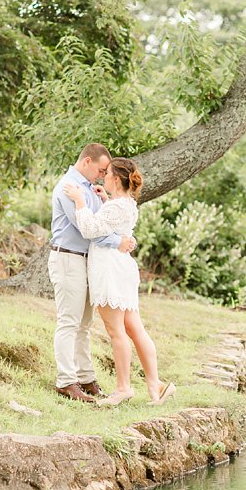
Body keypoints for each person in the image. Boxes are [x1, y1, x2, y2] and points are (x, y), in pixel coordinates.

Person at [61, 157, 175, 406]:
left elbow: (91, 230)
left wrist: (80, 201)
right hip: (122, 268)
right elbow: (112, 228)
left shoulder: (115, 207)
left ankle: (123, 388)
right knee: (135, 328)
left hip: (109, 269)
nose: (103, 177)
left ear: (115, 179)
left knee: (116, 331)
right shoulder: (127, 204)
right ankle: (155, 384)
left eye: (107, 173)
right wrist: (104, 200)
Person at [49, 143, 136, 403]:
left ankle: (86, 378)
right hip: (68, 257)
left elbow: (104, 222)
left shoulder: (89, 189)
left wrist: (123, 236)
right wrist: (118, 241)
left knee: (85, 324)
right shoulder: (69, 187)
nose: (102, 175)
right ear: (87, 161)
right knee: (69, 321)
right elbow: (87, 228)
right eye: (100, 170)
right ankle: (66, 381)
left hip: (88, 262)